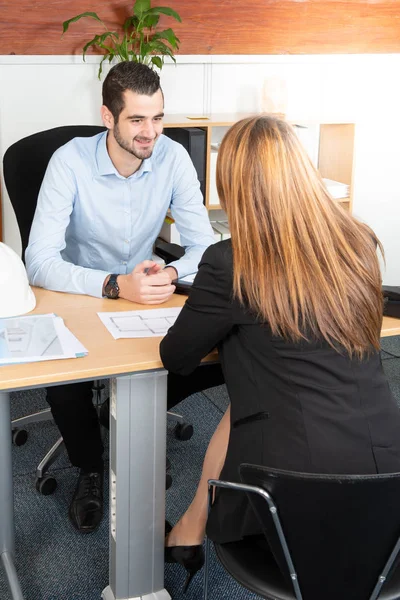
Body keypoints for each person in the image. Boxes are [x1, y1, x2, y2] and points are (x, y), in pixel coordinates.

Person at [159, 115, 400, 591]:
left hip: (289, 498)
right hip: (388, 489)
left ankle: (189, 531)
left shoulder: (231, 261)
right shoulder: (358, 243)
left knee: (255, 397)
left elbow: (176, 356)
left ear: (234, 187)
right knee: (253, 399)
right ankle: (191, 525)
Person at [25, 61, 223, 533]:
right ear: (108, 117)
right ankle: (90, 466)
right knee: (65, 374)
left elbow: (204, 246)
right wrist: (115, 285)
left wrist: (171, 270)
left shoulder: (172, 157)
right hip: (77, 290)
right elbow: (39, 261)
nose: (150, 132)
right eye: (136, 119)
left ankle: (137, 426)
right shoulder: (69, 161)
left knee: (206, 352)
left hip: (143, 293)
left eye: (157, 118)